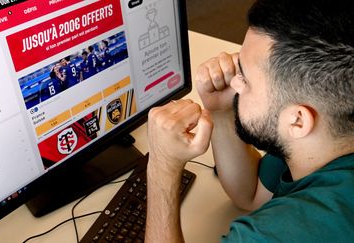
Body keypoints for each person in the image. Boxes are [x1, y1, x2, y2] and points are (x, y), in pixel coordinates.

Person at [145, 0, 354, 242]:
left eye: (245, 77)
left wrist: (162, 168)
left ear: (298, 121)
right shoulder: (323, 138)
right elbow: (251, 195)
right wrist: (222, 111)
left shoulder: (282, 231)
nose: (235, 83)